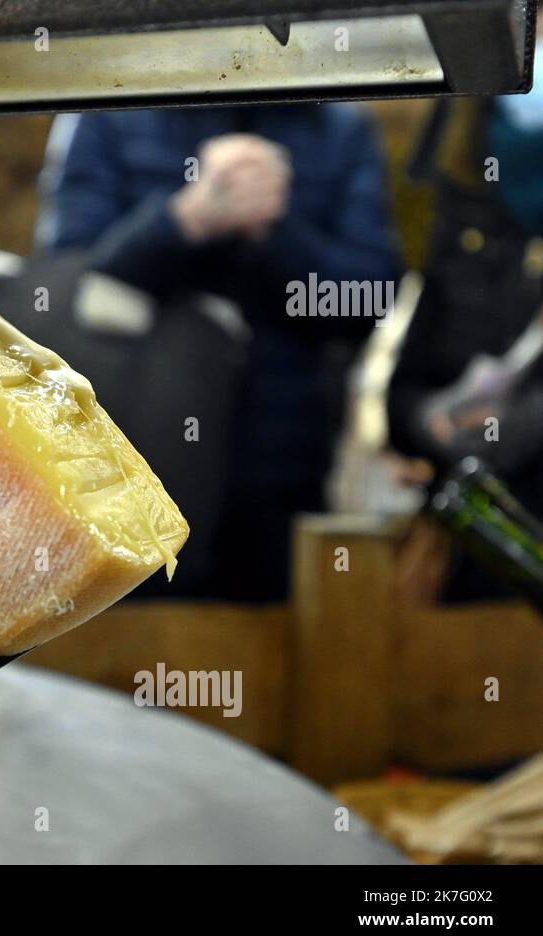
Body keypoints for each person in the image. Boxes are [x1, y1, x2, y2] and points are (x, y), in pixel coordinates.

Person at [36, 104, 402, 600]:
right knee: (134, 651)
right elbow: (66, 286)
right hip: (135, 467)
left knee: (275, 651)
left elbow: (367, 300)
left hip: (280, 470)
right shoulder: (110, 113)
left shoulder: (341, 129)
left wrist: (273, 232)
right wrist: (187, 219)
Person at [387, 88, 543, 600]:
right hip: (477, 551)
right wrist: (431, 422)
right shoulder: (463, 208)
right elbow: (405, 389)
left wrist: (522, 425)